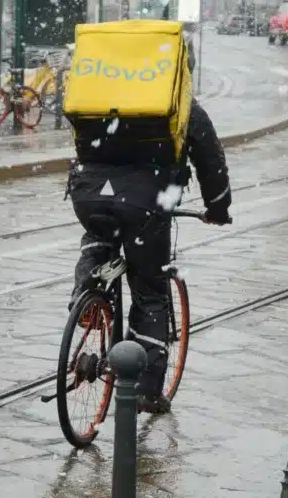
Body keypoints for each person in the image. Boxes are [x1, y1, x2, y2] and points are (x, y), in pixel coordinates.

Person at [67, 38, 232, 415]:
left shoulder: (101, 94)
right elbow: (211, 163)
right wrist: (218, 208)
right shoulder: (181, 106)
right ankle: (147, 390)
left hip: (89, 193)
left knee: (98, 238)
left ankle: (88, 294)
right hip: (145, 202)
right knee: (151, 291)